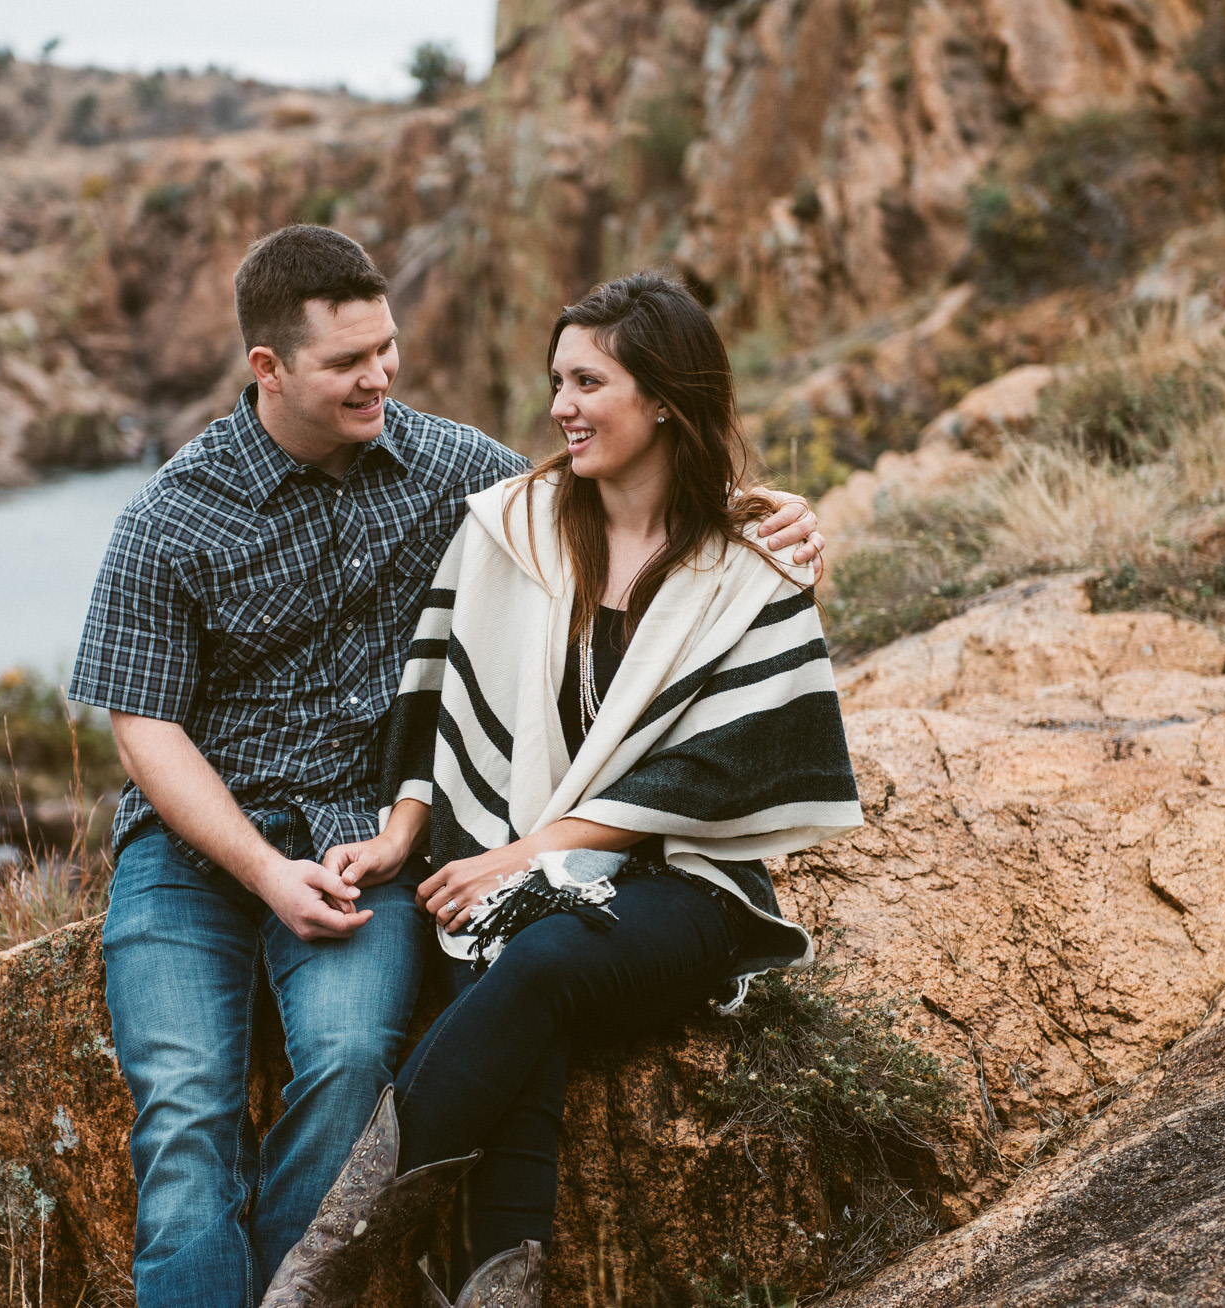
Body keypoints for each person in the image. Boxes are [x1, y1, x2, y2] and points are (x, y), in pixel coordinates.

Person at [67, 228, 827, 1308]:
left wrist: (769, 512)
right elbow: (142, 726)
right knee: (185, 1107)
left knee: (343, 1065)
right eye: (346, 364)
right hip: (193, 852)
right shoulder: (168, 518)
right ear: (267, 370)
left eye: (385, 349)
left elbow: (619, 503)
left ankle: (304, 1288)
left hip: (361, 844)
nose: (378, 377)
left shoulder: (454, 470)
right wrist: (261, 870)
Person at [260, 271, 864, 1308]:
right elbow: (436, 698)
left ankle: (324, 1271)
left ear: (665, 396)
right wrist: (409, 833)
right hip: (508, 866)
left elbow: (716, 773)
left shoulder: (745, 565)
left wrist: (526, 856)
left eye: (588, 382)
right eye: (555, 381)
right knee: (512, 988)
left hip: (682, 886)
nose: (561, 408)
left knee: (531, 956)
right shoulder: (514, 528)